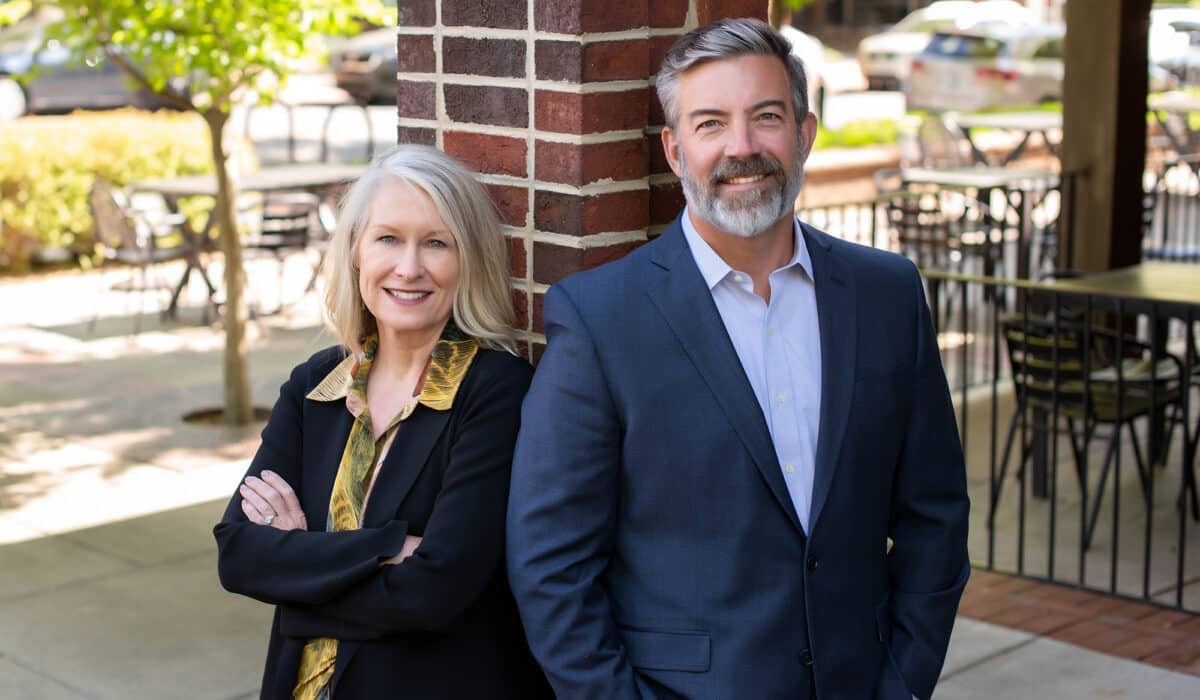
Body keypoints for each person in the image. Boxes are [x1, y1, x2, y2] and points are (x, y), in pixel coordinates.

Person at [506, 17, 969, 700]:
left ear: (805, 132)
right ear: (674, 150)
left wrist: (901, 684)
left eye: (767, 117)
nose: (742, 148)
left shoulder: (888, 296)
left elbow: (935, 515)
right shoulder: (602, 318)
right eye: (710, 124)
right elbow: (550, 565)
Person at [215, 145, 550, 699]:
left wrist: (299, 576)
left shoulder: (496, 392)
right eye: (388, 238)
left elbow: (436, 590)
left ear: (469, 260)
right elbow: (239, 554)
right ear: (356, 253)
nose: (409, 267)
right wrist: (388, 545)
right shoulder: (316, 385)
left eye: (436, 243)